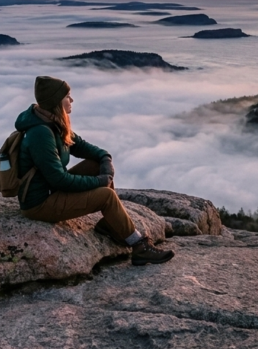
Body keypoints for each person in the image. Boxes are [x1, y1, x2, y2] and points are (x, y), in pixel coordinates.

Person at [15, 75, 174, 266]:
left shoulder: (53, 122)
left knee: (96, 165)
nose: (71, 100)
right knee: (106, 196)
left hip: (52, 190)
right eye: (67, 96)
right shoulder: (41, 133)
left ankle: (110, 224)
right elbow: (59, 179)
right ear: (56, 102)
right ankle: (139, 246)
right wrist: (100, 182)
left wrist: (105, 158)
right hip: (39, 204)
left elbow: (82, 146)